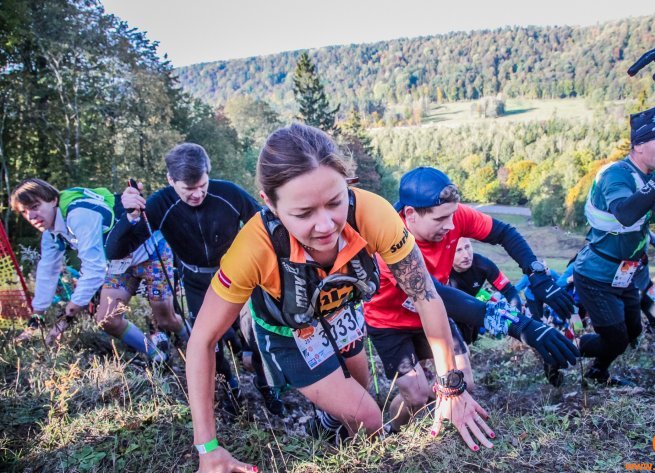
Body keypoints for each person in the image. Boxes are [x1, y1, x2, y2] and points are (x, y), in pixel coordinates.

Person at [186, 124, 496, 473]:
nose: (326, 226)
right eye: (303, 213)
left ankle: (327, 427)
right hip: (290, 332)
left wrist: (450, 387)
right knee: (368, 418)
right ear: (269, 203)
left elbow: (424, 293)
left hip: (340, 311)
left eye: (335, 202)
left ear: (347, 183)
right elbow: (202, 340)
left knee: (360, 394)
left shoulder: (372, 213)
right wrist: (207, 449)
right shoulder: (253, 249)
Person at [365, 166, 578, 428]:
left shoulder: (453, 216)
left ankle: (441, 416)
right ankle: (394, 429)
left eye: (452, 215)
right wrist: (519, 325)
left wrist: (535, 272)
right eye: (441, 219)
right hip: (390, 323)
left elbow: (504, 233)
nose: (451, 225)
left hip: (433, 315)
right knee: (416, 395)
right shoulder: (389, 239)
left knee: (465, 381)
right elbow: (435, 294)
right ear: (411, 214)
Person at [103, 143, 286, 415]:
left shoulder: (228, 193)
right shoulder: (160, 204)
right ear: (171, 180)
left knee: (255, 334)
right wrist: (129, 216)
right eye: (188, 189)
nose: (198, 194)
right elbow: (115, 250)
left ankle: (267, 386)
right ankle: (230, 387)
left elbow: (265, 223)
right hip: (197, 281)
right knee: (209, 342)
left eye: (202, 185)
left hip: (238, 274)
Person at [573, 104, 655, 386]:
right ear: (638, 145)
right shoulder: (616, 175)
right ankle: (567, 351)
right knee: (616, 339)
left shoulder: (653, 175)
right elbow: (626, 213)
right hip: (596, 274)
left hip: (626, 274)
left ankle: (596, 369)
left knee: (633, 331)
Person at [10, 179, 186, 360]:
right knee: (107, 320)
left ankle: (192, 340)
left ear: (53, 200)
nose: (31, 216)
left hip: (150, 251)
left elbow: (94, 270)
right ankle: (158, 356)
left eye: (35, 206)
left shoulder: (79, 215)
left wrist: (66, 318)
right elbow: (47, 271)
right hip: (120, 262)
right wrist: (35, 319)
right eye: (24, 212)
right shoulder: (51, 234)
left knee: (166, 319)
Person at [447, 238, 521, 344]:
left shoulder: (482, 264)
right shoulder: (442, 270)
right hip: (448, 313)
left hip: (471, 309)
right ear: (448, 252)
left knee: (470, 341)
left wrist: (516, 324)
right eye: (458, 250)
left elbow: (510, 291)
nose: (466, 255)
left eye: (467, 247)